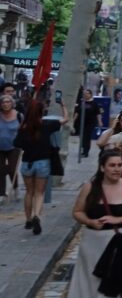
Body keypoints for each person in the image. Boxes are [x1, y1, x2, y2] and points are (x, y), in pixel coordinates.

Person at [68, 151, 122, 298]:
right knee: (91, 282)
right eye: (112, 165)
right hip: (93, 244)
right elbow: (77, 212)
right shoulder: (90, 187)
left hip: (120, 243)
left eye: (120, 165)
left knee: (118, 282)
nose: (117, 169)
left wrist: (119, 220)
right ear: (102, 168)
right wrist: (90, 221)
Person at [17, 100, 67, 234]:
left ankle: (28, 220)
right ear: (41, 112)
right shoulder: (47, 124)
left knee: (29, 192)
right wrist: (63, 105)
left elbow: (17, 143)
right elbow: (65, 120)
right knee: (39, 193)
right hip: (43, 162)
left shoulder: (24, 127)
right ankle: (37, 216)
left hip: (27, 163)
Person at [0, 95, 21, 203]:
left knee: (12, 169)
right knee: (0, 170)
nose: (5, 104)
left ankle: (16, 188)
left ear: (12, 103)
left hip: (14, 146)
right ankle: (2, 193)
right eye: (3, 102)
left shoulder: (18, 115)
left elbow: (24, 129)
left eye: (8, 102)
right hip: (0, 147)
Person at [73, 89, 101, 157]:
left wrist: (100, 122)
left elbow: (98, 113)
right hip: (81, 123)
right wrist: (73, 120)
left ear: (90, 94)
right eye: (85, 93)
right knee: (81, 136)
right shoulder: (81, 102)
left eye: (87, 93)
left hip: (90, 123)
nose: (86, 95)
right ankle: (83, 148)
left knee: (87, 137)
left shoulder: (94, 103)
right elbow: (77, 112)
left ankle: (86, 151)